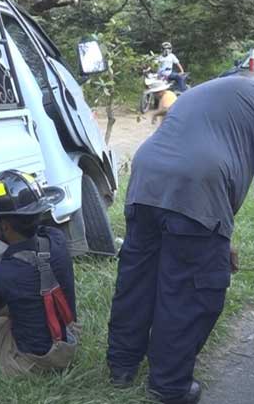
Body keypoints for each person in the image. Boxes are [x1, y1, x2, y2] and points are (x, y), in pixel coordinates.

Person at [107, 77, 254, 404]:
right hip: (197, 179)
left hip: (146, 175)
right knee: (191, 291)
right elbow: (234, 172)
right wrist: (218, 233)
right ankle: (169, 385)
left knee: (138, 279)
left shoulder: (223, 88)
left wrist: (220, 233)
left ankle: (121, 366)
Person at [0, 170, 78, 375]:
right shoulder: (56, 239)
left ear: (5, 225)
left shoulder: (4, 273)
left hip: (34, 360)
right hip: (67, 338)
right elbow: (23, 240)